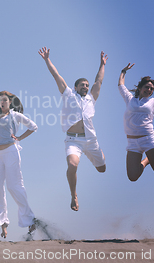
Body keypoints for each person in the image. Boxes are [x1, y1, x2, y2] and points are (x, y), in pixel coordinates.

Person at [38, 47, 107, 211]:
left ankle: (94, 155)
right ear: (75, 87)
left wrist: (102, 64)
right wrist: (47, 59)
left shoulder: (91, 99)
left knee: (102, 169)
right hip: (73, 140)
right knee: (72, 164)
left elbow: (99, 81)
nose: (85, 86)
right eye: (82, 85)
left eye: (86, 85)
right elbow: (57, 76)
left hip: (91, 140)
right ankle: (74, 195)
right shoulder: (68, 94)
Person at [0, 91, 37, 238]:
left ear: (10, 102)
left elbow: (33, 126)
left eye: (4, 100)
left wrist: (20, 138)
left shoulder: (15, 115)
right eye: (0, 100)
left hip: (11, 151)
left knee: (13, 186)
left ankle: (29, 219)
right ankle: (3, 223)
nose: (2, 102)